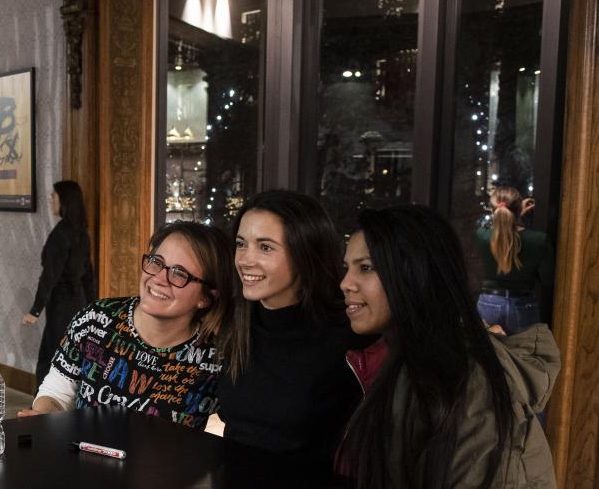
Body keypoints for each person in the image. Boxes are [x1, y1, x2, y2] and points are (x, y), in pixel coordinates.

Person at [339, 204, 559, 488]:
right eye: (347, 268)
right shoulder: (400, 360)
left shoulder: (467, 379)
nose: (345, 283)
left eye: (366, 268)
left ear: (415, 272)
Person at [18, 221, 234, 431]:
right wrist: (43, 418)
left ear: (206, 297)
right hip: (84, 464)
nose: (158, 278)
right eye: (156, 262)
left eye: (179, 273)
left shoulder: (218, 356)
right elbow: (56, 395)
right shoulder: (96, 319)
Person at [216, 190, 365, 477]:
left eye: (266, 247)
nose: (245, 260)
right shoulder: (236, 321)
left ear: (305, 253)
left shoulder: (348, 334)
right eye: (241, 244)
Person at [21, 180, 97, 386]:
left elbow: (50, 276)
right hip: (79, 303)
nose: (50, 199)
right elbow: (88, 276)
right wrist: (93, 308)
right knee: (71, 356)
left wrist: (35, 310)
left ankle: (43, 408)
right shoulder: (81, 232)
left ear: (65, 201)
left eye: (53, 196)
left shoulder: (61, 234)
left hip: (62, 306)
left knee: (52, 359)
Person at [476, 186, 554, 334]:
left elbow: (501, 230)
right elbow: (547, 279)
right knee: (522, 355)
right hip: (523, 305)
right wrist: (519, 218)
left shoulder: (482, 236)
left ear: (492, 211)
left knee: (487, 355)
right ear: (519, 209)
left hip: (489, 303)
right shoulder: (539, 240)